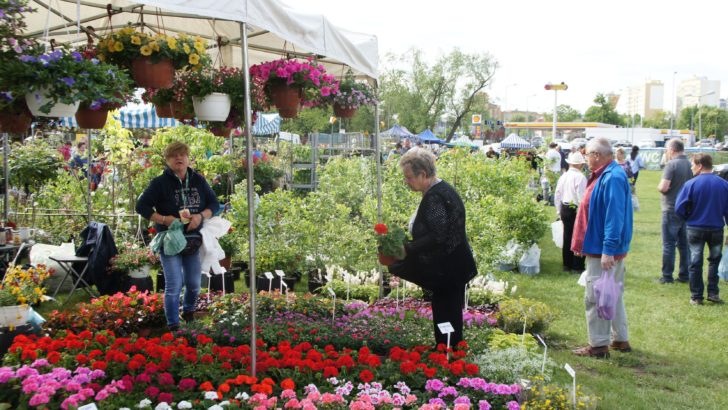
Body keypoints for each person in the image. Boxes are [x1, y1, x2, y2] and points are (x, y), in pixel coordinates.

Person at [389, 148, 477, 347]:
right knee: (448, 312)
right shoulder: (440, 190)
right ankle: (449, 353)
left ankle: (448, 356)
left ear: (423, 174)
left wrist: (407, 248)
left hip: (447, 270)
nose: (407, 182)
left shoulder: (435, 197)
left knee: (446, 313)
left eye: (409, 177)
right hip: (451, 268)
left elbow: (438, 236)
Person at [136, 141, 220, 331]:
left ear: (188, 158)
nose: (179, 158)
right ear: (167, 160)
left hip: (192, 240)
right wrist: (164, 219)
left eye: (182, 154)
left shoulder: (198, 180)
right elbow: (141, 206)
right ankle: (173, 325)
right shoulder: (159, 183)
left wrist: (200, 216)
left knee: (193, 283)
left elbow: (214, 204)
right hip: (170, 241)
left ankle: (189, 311)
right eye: (174, 155)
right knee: (174, 284)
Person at [571, 137, 633, 358]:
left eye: (587, 154)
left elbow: (613, 217)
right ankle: (620, 339)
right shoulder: (606, 174)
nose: (586, 158)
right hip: (601, 246)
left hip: (604, 250)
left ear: (597, 155)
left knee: (596, 296)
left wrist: (608, 249)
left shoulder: (612, 177)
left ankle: (598, 345)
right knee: (611, 293)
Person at [674, 153, 728, 305]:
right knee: (714, 261)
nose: (691, 168)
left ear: (700, 165)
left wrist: (688, 217)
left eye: (693, 164)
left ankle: (696, 296)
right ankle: (713, 292)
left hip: (695, 228)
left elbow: (679, 207)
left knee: (695, 262)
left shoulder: (691, 184)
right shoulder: (724, 184)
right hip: (716, 228)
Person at [657, 138, 693, 284]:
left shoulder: (671, 165)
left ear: (672, 150)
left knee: (669, 244)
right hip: (686, 209)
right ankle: (685, 275)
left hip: (671, 208)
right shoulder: (691, 164)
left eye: (667, 150)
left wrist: (658, 188)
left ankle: (667, 276)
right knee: (684, 245)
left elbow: (664, 187)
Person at [554, 152, 588, 273]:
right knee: (579, 236)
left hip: (564, 207)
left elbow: (557, 194)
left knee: (567, 236)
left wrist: (558, 210)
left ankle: (566, 264)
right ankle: (577, 265)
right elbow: (581, 196)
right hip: (575, 208)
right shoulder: (580, 177)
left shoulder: (564, 176)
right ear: (579, 165)